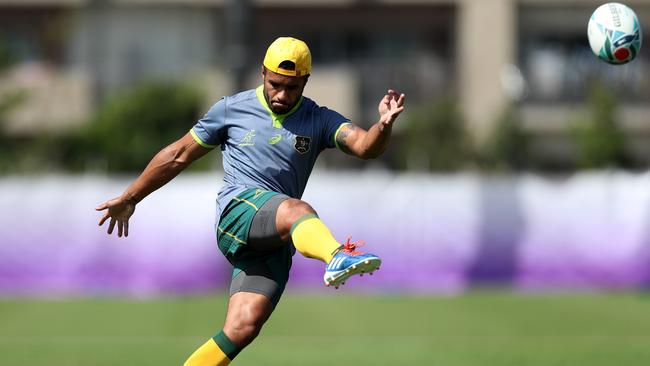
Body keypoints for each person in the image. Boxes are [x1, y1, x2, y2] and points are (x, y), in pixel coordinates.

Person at [96, 36, 406, 365]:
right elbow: (178, 155)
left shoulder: (319, 118)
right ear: (262, 73)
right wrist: (131, 197)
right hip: (238, 215)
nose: (283, 94)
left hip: (274, 238)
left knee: (241, 329)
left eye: (292, 87)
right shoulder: (231, 109)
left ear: (305, 82)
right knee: (298, 210)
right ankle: (336, 256)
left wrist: (383, 125)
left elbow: (364, 146)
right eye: (276, 84)